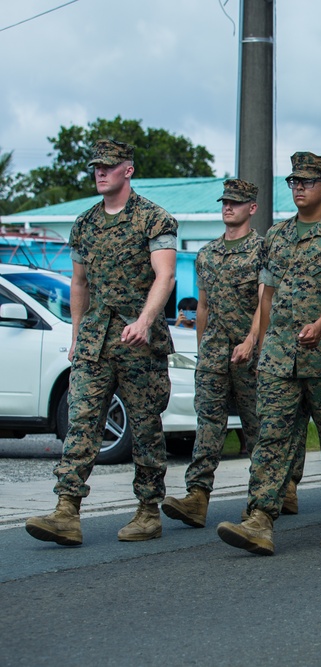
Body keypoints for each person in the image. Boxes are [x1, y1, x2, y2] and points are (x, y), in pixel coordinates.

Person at [25, 139, 178, 546]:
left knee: (146, 427)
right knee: (81, 423)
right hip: (95, 341)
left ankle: (148, 511)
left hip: (138, 342)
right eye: (96, 166)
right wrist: (77, 335)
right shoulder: (85, 223)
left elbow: (165, 277)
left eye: (109, 166)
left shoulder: (154, 219)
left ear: (128, 170)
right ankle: (66, 511)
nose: (100, 172)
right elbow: (78, 283)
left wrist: (146, 321)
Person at [216, 152, 321, 555]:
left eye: (307, 182)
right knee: (272, 439)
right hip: (280, 359)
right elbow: (266, 295)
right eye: (293, 182)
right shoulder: (277, 236)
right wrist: (258, 342)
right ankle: (260, 518)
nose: (299, 187)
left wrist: (320, 325)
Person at [161, 179, 264, 529]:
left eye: (236, 203)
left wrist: (252, 340)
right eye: (225, 202)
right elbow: (202, 306)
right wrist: (204, 348)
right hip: (215, 353)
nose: (228, 208)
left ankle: (262, 499)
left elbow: (266, 303)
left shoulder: (262, 250)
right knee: (208, 425)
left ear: (251, 208)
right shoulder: (207, 254)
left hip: (252, 353)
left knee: (258, 428)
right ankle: (197, 496)